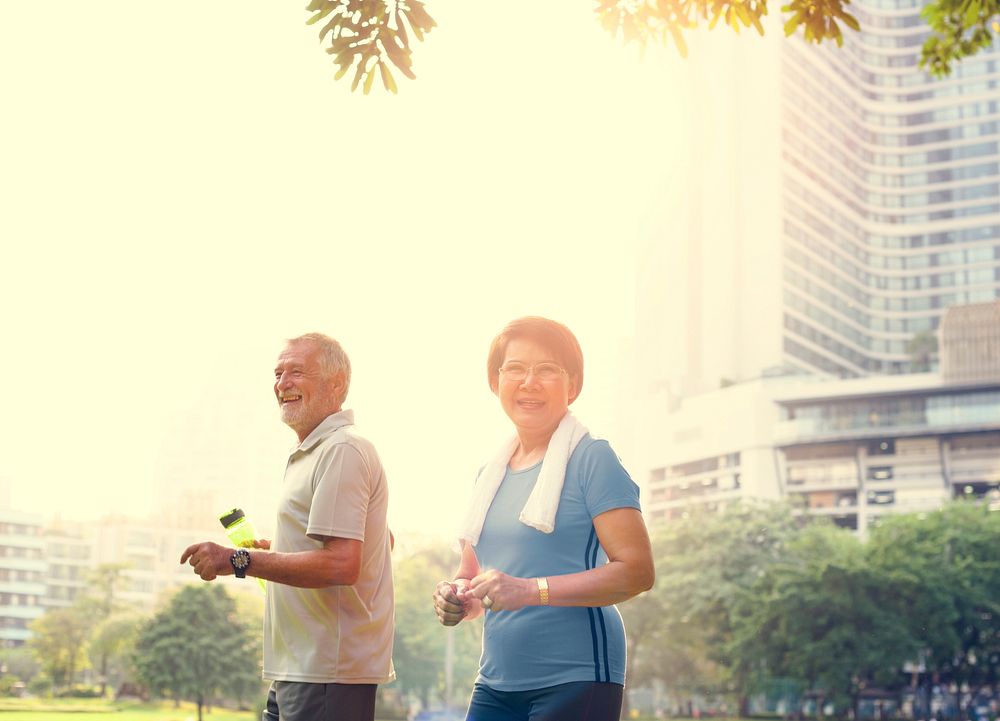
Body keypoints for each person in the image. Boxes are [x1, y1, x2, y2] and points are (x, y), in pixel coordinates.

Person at [432, 316, 655, 721]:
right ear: (495, 381)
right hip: (497, 678)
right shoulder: (488, 474)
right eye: (515, 368)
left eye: (547, 370)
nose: (529, 382)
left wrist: (529, 591)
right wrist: (458, 595)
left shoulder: (593, 458)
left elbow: (637, 572)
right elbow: (474, 573)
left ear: (572, 385)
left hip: (578, 675)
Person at [180, 333, 394, 721]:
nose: (282, 384)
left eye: (296, 372)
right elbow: (381, 540)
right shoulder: (313, 453)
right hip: (300, 667)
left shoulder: (342, 449)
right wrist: (279, 549)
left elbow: (342, 565)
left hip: (328, 672)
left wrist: (238, 559)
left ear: (337, 383)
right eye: (278, 374)